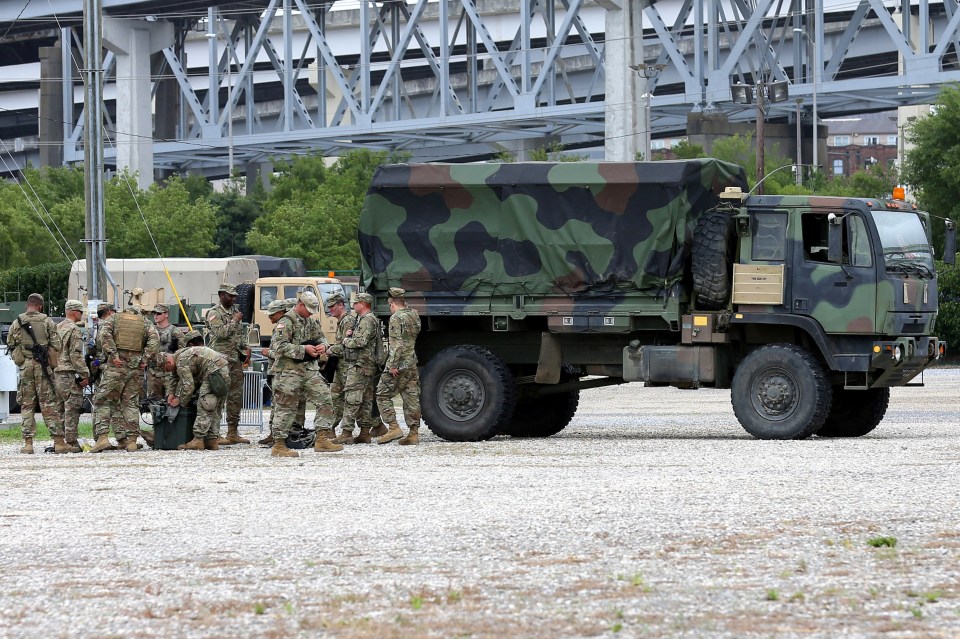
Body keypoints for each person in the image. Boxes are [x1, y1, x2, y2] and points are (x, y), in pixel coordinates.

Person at [269, 291, 342, 457]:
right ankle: (279, 445)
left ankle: (322, 438)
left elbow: (321, 337)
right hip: (289, 372)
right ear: (300, 305)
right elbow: (279, 347)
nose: (310, 313)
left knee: (325, 398)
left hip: (309, 370)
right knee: (285, 407)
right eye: (308, 309)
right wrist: (304, 349)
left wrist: (323, 346)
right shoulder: (286, 321)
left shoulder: (310, 322)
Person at [91, 305, 160, 453]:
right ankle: (131, 442)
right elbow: (155, 339)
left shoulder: (114, 319)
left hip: (116, 367)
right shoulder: (144, 322)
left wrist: (113, 354)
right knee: (131, 403)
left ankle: (102, 438)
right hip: (136, 369)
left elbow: (104, 334)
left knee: (103, 400)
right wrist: (145, 358)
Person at [5, 293, 64, 454]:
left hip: (26, 366)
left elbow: (10, 342)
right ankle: (59, 442)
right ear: (40, 306)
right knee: (48, 403)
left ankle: (28, 443)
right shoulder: (47, 321)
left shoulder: (18, 321)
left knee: (26, 404)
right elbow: (57, 343)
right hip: (43, 366)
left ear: (27, 305)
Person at [162, 332, 230, 451]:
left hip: (214, 373)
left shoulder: (181, 361)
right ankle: (212, 440)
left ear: (168, 362)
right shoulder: (178, 356)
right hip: (220, 370)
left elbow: (188, 386)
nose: (166, 371)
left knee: (205, 405)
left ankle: (198, 440)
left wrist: (180, 401)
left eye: (165, 368)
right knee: (214, 407)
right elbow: (174, 378)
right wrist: (171, 393)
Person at [329, 292, 381, 445]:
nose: (353, 305)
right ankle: (365, 432)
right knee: (365, 399)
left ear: (363, 304)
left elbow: (360, 342)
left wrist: (346, 340)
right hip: (366, 364)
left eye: (356, 303)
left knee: (351, 398)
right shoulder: (364, 319)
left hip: (360, 363)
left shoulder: (367, 320)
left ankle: (346, 432)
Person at [375, 288, 422, 445]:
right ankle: (413, 433)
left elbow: (397, 345)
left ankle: (394, 427)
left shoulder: (396, 318)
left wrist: (393, 365)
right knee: (411, 397)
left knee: (382, 394)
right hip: (411, 362)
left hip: (399, 364)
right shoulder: (414, 314)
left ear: (391, 302)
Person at [205, 282, 250, 445]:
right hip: (220, 361)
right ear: (221, 295)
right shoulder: (213, 313)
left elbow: (239, 334)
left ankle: (233, 432)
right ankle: (214, 434)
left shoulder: (235, 312)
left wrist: (246, 348)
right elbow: (221, 333)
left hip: (235, 360)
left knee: (235, 397)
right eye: (230, 296)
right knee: (219, 396)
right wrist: (234, 320)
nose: (233, 299)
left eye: (234, 296)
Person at [53, 299, 90, 453]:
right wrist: (84, 374)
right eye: (81, 312)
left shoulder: (57, 327)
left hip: (56, 373)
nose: (82, 315)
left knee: (59, 408)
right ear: (75, 312)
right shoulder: (74, 329)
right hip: (69, 373)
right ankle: (71, 442)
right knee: (72, 408)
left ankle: (59, 442)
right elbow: (76, 355)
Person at [257, 298, 291, 447]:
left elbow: (282, 351)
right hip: (275, 370)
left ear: (281, 313)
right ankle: (273, 434)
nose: (269, 317)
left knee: (280, 405)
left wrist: (268, 352)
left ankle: (278, 436)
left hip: (281, 370)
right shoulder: (278, 327)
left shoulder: (284, 327)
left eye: (272, 314)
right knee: (275, 405)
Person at [324, 293, 356, 436]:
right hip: (339, 365)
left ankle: (350, 430)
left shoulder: (348, 320)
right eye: (329, 307)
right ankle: (330, 428)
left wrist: (328, 349)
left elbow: (346, 345)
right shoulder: (342, 321)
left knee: (349, 399)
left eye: (333, 306)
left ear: (341, 305)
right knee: (335, 397)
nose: (330, 310)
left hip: (346, 365)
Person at [147, 303, 184, 399]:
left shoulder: (175, 332)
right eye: (154, 313)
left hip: (170, 374)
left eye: (158, 314)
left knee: (170, 399)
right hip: (153, 373)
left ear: (166, 314)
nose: (155, 316)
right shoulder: (150, 331)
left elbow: (182, 353)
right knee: (153, 402)